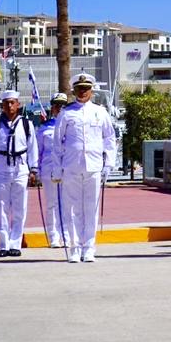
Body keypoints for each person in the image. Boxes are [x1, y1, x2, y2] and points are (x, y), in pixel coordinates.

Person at [54, 72, 116, 263]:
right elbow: (57, 143)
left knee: (91, 208)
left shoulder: (100, 112)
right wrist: (57, 169)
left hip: (94, 166)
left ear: (91, 91)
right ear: (73, 90)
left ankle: (89, 248)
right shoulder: (66, 113)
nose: (82, 92)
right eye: (79, 89)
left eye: (86, 89)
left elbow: (110, 138)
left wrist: (109, 164)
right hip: (71, 166)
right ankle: (74, 248)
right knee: (72, 209)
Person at [0, 90, 37, 257]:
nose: (9, 106)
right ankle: (3, 245)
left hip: (20, 169)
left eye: (12, 102)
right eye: (6, 103)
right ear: (2, 106)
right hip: (1, 169)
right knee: (1, 209)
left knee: (19, 208)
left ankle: (15, 244)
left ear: (18, 104)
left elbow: (32, 148)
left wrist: (34, 169)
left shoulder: (26, 124)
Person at [35, 93, 68, 248]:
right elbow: (38, 151)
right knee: (52, 204)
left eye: (62, 105)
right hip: (48, 169)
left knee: (67, 204)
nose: (59, 108)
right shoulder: (44, 128)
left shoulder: (70, 125)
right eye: (57, 105)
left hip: (66, 169)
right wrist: (36, 170)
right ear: (52, 108)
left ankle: (66, 235)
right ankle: (53, 237)